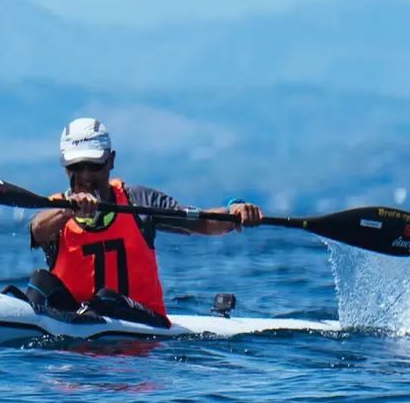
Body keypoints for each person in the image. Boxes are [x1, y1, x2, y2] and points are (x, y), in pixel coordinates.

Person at [24, 117, 263, 327]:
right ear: (66, 169)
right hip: (76, 321)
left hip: (142, 324)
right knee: (39, 281)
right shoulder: (57, 211)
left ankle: (84, 322)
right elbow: (36, 230)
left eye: (94, 165)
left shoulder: (138, 201)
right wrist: (68, 212)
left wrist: (235, 209)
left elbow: (204, 223)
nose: (86, 176)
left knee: (106, 297)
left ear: (111, 161)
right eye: (77, 167)